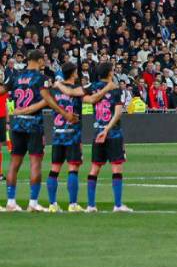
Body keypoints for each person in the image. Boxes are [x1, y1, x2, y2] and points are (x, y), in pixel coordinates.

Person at [3, 50, 77, 212]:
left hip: (17, 125)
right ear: (37, 60)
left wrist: (21, 110)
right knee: (35, 163)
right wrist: (64, 113)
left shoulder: (15, 76)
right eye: (43, 58)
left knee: (14, 163)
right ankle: (33, 202)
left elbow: (2, 90)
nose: (45, 61)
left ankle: (10, 201)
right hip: (34, 125)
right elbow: (48, 100)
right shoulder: (41, 78)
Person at [49, 62, 116, 212]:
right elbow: (91, 100)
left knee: (54, 169)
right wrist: (107, 88)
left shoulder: (54, 90)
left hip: (57, 133)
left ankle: (52, 204)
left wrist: (57, 84)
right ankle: (73, 204)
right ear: (73, 73)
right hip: (73, 133)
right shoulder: (78, 90)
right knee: (73, 168)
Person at [86, 62, 132, 213]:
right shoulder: (115, 89)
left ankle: (91, 205)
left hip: (97, 131)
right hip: (113, 133)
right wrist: (107, 129)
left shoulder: (92, 88)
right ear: (110, 73)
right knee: (116, 168)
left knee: (95, 168)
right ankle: (117, 205)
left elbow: (86, 99)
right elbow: (118, 112)